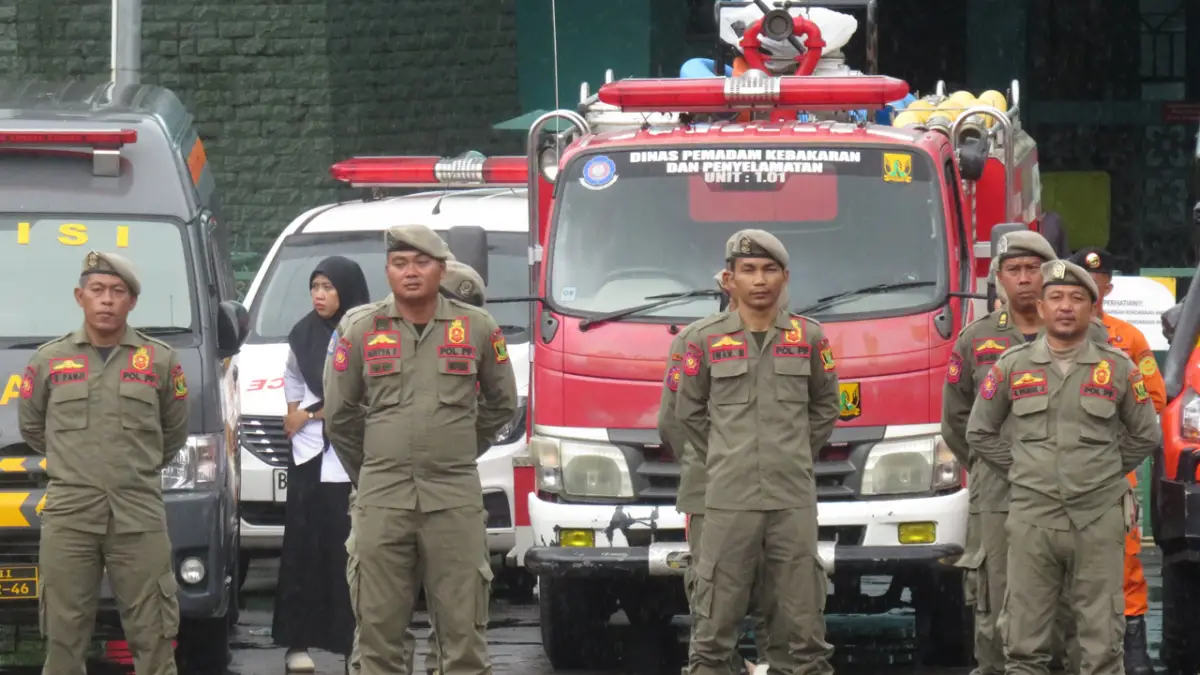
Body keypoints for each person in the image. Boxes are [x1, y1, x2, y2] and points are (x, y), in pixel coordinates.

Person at [324, 225, 518, 675]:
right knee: (377, 635)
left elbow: (502, 401)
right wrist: (374, 467)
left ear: (441, 268)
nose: (410, 272)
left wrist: (456, 449)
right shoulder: (360, 328)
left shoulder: (476, 327)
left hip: (453, 497)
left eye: (421, 262)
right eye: (399, 263)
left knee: (463, 637)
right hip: (382, 498)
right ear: (387, 270)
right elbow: (340, 415)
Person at [966, 259, 1161, 675]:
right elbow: (979, 432)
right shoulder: (1011, 366)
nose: (1066, 306)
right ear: (1040, 308)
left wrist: (1103, 470)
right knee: (1024, 643)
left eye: (1077, 298)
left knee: (1101, 644)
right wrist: (1021, 468)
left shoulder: (1120, 367)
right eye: (1055, 297)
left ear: (1093, 309)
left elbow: (1146, 434)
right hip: (1033, 518)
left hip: (1097, 518)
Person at [675, 230, 839, 675]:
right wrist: (727, 453)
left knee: (802, 628)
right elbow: (686, 410)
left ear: (785, 277)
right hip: (729, 499)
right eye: (748, 270)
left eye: (769, 270)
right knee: (713, 627)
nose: (760, 280)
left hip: (792, 499)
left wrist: (793, 451)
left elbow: (827, 404)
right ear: (729, 280)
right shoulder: (704, 340)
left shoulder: (810, 337)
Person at [18, 251, 189, 675]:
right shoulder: (49, 361)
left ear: (132, 301)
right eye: (97, 290)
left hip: (138, 513)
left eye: (118, 291)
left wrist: (130, 470)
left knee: (153, 633)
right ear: (80, 297)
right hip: (70, 515)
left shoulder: (160, 361)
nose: (107, 300)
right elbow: (33, 429)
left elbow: (173, 433)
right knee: (64, 635)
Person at [941, 230, 1059, 675]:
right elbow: (956, 421)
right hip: (998, 492)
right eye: (1014, 270)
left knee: (1065, 601)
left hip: (1070, 489)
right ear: (999, 279)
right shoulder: (977, 339)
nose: (1025, 279)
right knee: (995, 597)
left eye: (1034, 269)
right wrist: (994, 468)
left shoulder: (1084, 332)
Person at [658, 270, 771, 675]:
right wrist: (717, 461)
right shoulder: (695, 341)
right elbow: (673, 421)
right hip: (712, 492)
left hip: (775, 491)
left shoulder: (793, 339)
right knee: (714, 596)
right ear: (728, 287)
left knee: (778, 590)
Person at [1067, 247, 1164, 675]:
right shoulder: (1049, 341)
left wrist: (1111, 452)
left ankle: (1134, 646)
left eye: (1100, 280)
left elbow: (1154, 400)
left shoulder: (1128, 339)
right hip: (1052, 473)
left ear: (1108, 286)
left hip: (1111, 472)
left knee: (1124, 558)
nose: (1094, 288)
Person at [273, 256, 370, 672]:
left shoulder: (367, 332)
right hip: (310, 457)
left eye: (328, 287)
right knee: (302, 546)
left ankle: (355, 643)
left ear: (347, 290)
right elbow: (293, 376)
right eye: (315, 286)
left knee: (347, 549)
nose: (319, 294)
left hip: (351, 457)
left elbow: (363, 395)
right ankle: (298, 642)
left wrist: (308, 414)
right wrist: (295, 411)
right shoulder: (303, 333)